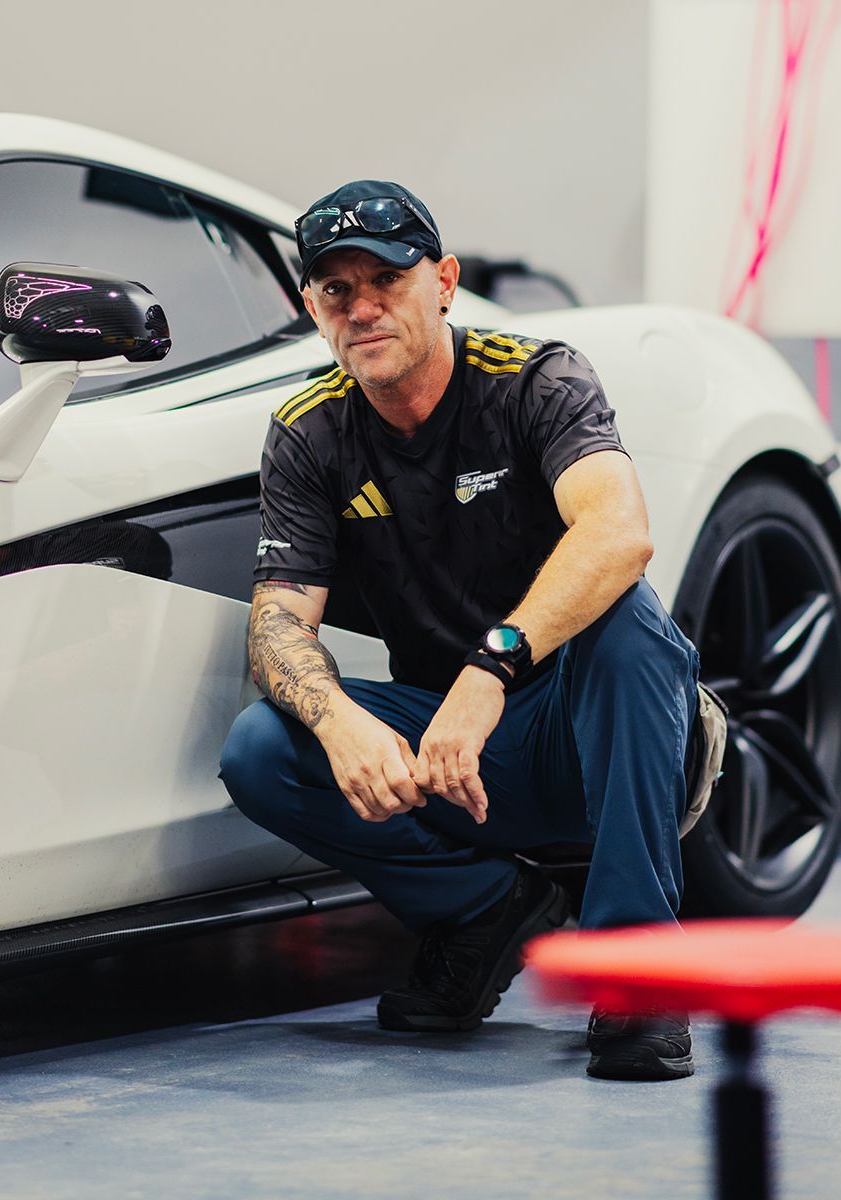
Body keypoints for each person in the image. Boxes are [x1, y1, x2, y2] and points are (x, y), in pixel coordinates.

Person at [218, 180, 718, 1082]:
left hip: (597, 727)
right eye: (337, 290)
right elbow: (276, 625)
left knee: (628, 620)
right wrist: (336, 720)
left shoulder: (535, 379)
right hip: (458, 761)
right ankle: (483, 910)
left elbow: (619, 533)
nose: (362, 308)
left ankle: (636, 969)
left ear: (444, 281)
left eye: (387, 281)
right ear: (311, 309)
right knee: (264, 746)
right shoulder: (309, 431)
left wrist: (490, 668)